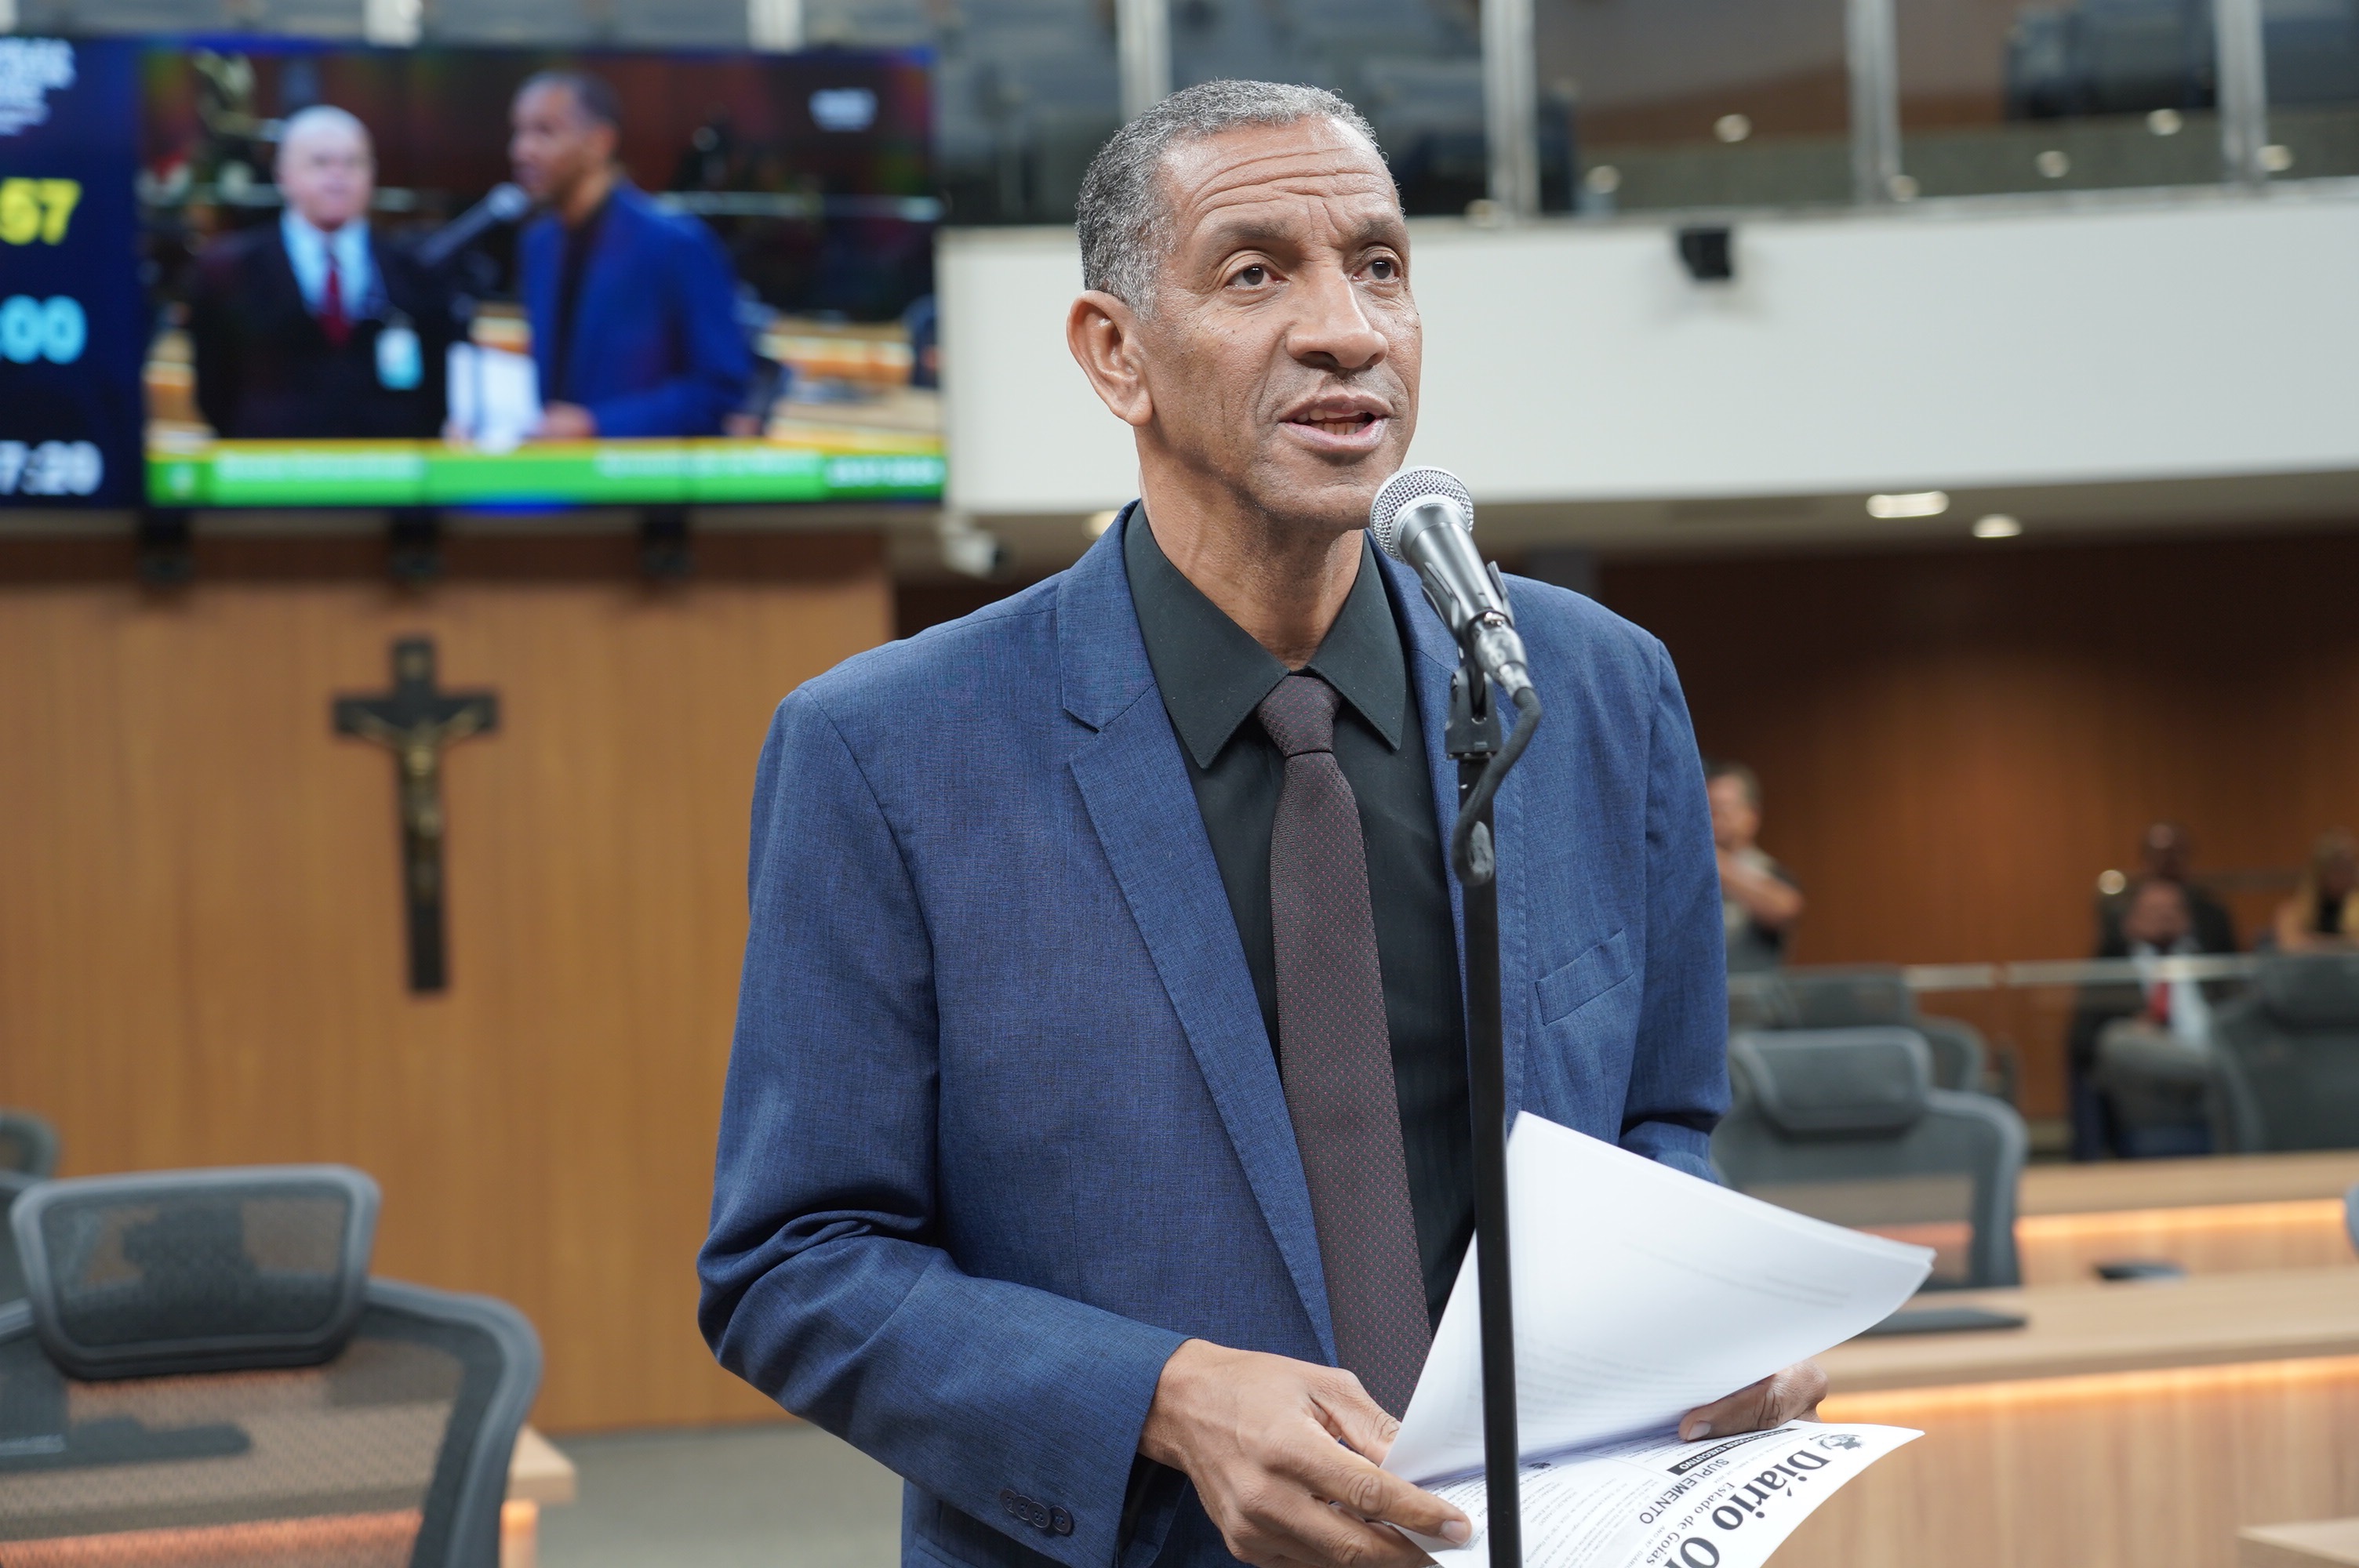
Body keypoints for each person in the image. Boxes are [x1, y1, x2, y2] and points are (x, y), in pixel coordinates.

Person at [699, 81, 1822, 1568]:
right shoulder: (889, 751)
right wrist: (1159, 1398)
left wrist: (1714, 1312)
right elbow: (795, 1266)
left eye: (1379, 266)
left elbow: (1658, 1129)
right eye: (1253, 273)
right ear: (1115, 355)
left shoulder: (1589, 690)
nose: (1346, 328)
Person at [186, 105, 456, 438]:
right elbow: (214, 389)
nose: (337, 177)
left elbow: (435, 388)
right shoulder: (229, 270)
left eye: (352, 163)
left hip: (385, 461)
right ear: (282, 174)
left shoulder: (415, 271)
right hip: (271, 461)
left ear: (372, 174)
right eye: (320, 162)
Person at [507, 71, 750, 440]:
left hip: (640, 470)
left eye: (545, 131)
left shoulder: (675, 244)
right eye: (518, 132)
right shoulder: (538, 245)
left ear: (599, 142)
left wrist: (597, 425)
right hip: (557, 468)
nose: (522, 150)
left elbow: (720, 390)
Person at [2067, 877, 2224, 1159]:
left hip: (2208, 1086)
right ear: (2129, 921)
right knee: (2117, 1040)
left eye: (2172, 910)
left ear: (2188, 919)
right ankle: (2220, 1069)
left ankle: (2216, 1068)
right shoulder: (2110, 964)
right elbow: (2084, 1039)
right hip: (2151, 1088)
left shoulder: (2213, 963)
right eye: (2153, 910)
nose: (2164, 917)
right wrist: (2134, 1024)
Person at [1706, 759, 1804, 972]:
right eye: (1709, 810)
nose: (1715, 820)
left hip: (1755, 989)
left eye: (1723, 809)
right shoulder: (1690, 873)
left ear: (1751, 815)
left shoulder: (1769, 871)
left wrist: (1714, 862)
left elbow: (1785, 908)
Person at [2096, 822, 2237, 956]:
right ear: (2144, 857)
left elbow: (2231, 962)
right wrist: (2128, 936)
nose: (2165, 862)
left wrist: (2188, 935)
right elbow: (2101, 966)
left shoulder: (2211, 910)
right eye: (2158, 854)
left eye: (2174, 853)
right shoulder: (2119, 911)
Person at [2273, 829, 2359, 952]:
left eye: (2348, 868)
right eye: (2336, 868)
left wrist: (2314, 942)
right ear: (2319, 872)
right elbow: (2291, 945)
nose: (2344, 875)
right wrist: (2345, 944)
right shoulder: (2293, 911)